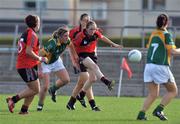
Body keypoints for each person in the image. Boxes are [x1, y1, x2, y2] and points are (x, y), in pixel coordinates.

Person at [66, 20, 123, 110]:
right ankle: (107, 82)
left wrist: (113, 44)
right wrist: (75, 57)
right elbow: (71, 45)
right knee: (94, 67)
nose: (93, 31)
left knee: (92, 79)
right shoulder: (80, 36)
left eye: (94, 29)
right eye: (91, 29)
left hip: (92, 55)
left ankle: (80, 96)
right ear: (86, 28)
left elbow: (103, 37)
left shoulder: (95, 33)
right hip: (82, 56)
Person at [137, 13, 179, 121]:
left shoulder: (153, 34)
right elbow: (172, 51)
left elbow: (150, 48)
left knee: (153, 94)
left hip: (149, 66)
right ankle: (158, 110)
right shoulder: (166, 34)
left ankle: (141, 114)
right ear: (167, 23)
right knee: (173, 91)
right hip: (160, 66)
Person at [6, 15, 48, 114]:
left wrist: (38, 65)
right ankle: (13, 99)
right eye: (39, 22)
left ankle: (24, 110)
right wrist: (40, 58)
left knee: (33, 89)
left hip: (28, 65)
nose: (40, 24)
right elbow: (28, 51)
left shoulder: (27, 32)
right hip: (26, 65)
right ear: (36, 23)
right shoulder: (32, 35)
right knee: (35, 89)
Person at [36, 26, 78, 111]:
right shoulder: (52, 43)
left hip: (56, 61)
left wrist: (75, 57)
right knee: (45, 87)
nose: (68, 37)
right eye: (65, 36)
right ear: (60, 36)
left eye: (68, 35)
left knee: (66, 80)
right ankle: (40, 105)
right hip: (45, 63)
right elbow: (39, 55)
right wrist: (39, 69)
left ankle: (53, 89)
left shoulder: (67, 40)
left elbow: (71, 46)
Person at [68, 13, 101, 111]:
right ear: (81, 21)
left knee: (82, 83)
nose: (87, 22)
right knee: (88, 80)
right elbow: (70, 46)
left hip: (90, 59)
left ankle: (71, 102)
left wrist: (95, 54)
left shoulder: (93, 31)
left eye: (89, 20)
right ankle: (93, 105)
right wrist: (74, 60)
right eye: (85, 20)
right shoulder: (74, 32)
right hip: (80, 59)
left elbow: (94, 45)